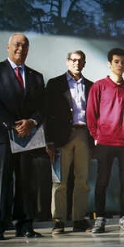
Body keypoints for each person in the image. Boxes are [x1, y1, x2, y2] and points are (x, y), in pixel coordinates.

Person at [0, 33, 46, 240]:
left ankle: (25, 224)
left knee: (26, 182)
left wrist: (32, 122)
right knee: (0, 182)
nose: (21, 48)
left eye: (25, 45)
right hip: (1, 136)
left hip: (28, 136)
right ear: (8, 47)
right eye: (17, 45)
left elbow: (42, 107)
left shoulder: (36, 77)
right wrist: (12, 124)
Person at [86, 48, 124, 233]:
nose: (120, 65)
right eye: (116, 61)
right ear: (109, 63)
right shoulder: (98, 86)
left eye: (123, 62)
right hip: (105, 142)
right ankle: (99, 218)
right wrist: (96, 136)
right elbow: (91, 114)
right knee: (102, 180)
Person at [45, 50, 94, 234]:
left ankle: (79, 219)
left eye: (80, 60)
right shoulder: (55, 84)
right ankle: (58, 220)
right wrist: (49, 140)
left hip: (83, 134)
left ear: (84, 63)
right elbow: (48, 114)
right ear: (67, 62)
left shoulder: (91, 86)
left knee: (82, 179)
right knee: (60, 180)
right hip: (61, 137)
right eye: (73, 60)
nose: (76, 63)